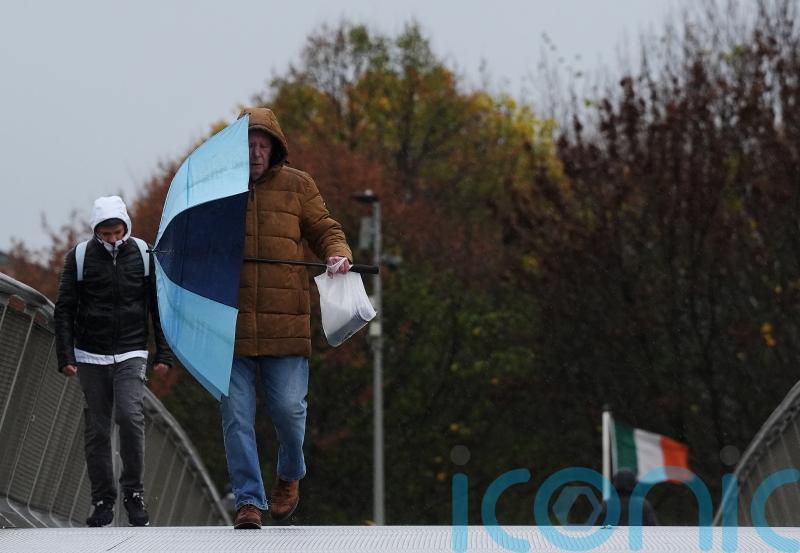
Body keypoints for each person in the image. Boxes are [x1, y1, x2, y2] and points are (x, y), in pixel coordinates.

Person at [224, 107, 353, 529]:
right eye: (249, 144)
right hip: (231, 327)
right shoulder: (217, 187)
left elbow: (325, 229)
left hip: (286, 326)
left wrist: (338, 254)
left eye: (263, 145)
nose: (256, 152)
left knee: (288, 412)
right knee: (237, 417)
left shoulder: (299, 185)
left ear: (275, 148)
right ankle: (248, 501)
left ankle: (289, 476)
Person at [54, 195, 173, 527]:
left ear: (126, 226)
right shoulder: (78, 258)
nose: (112, 239)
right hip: (90, 353)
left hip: (132, 350)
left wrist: (163, 352)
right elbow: (64, 309)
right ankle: (103, 500)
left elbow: (157, 307)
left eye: (117, 232)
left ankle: (133, 493)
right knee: (97, 428)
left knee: (129, 416)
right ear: (96, 231)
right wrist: (65, 355)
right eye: (105, 234)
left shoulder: (145, 256)